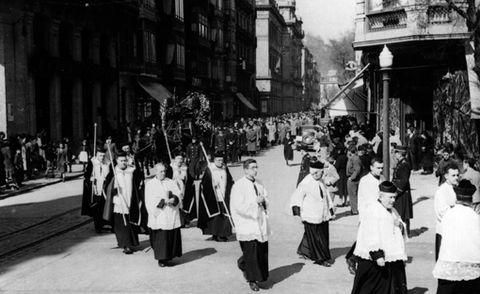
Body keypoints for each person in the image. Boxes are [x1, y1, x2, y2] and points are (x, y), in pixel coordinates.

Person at [351, 181, 408, 294]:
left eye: (394, 197)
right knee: (373, 287)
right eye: (390, 197)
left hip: (391, 256)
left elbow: (398, 224)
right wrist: (377, 255)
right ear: (381, 196)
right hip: (375, 259)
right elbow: (370, 233)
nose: (393, 200)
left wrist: (400, 225)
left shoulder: (392, 210)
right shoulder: (373, 210)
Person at [433, 179, 480, 293]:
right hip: (471, 264)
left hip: (449, 263)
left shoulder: (448, 214)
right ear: (471, 200)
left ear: (456, 198)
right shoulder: (475, 216)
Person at [230, 159, 270, 292]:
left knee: (260, 251)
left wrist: (263, 201)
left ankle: (255, 272)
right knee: (251, 252)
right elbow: (238, 207)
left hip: (260, 222)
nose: (255, 170)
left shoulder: (259, 183)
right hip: (247, 223)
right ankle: (252, 280)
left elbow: (266, 198)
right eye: (252, 168)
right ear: (245, 169)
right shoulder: (239, 185)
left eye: (256, 167)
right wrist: (255, 203)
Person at [291, 160, 335, 267]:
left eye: (319, 172)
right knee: (317, 237)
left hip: (322, 214)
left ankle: (304, 251)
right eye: (314, 173)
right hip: (311, 214)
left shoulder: (321, 181)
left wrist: (331, 210)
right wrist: (298, 212)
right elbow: (297, 197)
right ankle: (320, 258)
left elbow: (326, 196)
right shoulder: (306, 182)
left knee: (315, 234)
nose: (317, 174)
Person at [103, 152, 144, 254]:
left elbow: (139, 180)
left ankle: (131, 242)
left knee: (130, 224)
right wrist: (113, 191)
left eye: (125, 160)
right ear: (117, 161)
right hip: (118, 203)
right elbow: (106, 187)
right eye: (121, 161)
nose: (123, 163)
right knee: (121, 225)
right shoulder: (113, 172)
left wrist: (136, 163)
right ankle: (126, 245)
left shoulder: (131, 171)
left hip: (130, 200)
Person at [145, 162, 183, 267]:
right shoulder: (150, 184)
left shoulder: (171, 182)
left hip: (170, 213)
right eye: (161, 171)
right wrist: (163, 203)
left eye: (164, 171)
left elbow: (178, 195)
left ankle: (169, 257)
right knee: (161, 238)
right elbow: (149, 201)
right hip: (159, 215)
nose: (163, 173)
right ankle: (161, 259)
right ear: (156, 172)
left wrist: (174, 199)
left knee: (171, 236)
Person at [198, 151, 234, 241]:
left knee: (225, 215)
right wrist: (212, 184)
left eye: (222, 160)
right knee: (216, 216)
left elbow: (229, 180)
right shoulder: (210, 169)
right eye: (218, 160)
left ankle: (223, 234)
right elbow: (204, 183)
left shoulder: (225, 168)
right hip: (214, 196)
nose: (220, 162)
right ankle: (215, 234)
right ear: (214, 160)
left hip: (224, 195)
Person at [434, 163, 459, 260]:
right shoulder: (441, 191)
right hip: (444, 232)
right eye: (453, 175)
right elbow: (441, 212)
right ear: (446, 176)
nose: (456, 177)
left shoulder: (456, 188)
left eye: (457, 175)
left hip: (455, 232)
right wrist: (457, 209)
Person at [81, 148, 111, 233]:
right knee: (96, 208)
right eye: (100, 155)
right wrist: (90, 178)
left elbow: (110, 175)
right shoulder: (92, 162)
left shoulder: (108, 162)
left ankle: (105, 223)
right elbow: (86, 174)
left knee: (105, 206)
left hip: (104, 188)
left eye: (103, 156)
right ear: (96, 155)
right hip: (95, 188)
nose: (102, 157)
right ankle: (98, 226)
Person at [391, 145, 413, 235]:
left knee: (402, 212)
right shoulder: (401, 162)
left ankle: (404, 231)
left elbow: (404, 180)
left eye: (396, 152)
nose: (394, 154)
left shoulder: (404, 164)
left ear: (399, 154)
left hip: (402, 192)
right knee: (401, 212)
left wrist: (397, 191)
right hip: (400, 190)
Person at [346, 146, 362, 215]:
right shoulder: (353, 158)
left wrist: (352, 177)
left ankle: (354, 210)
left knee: (352, 195)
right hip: (352, 177)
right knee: (353, 194)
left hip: (353, 179)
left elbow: (357, 170)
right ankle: (354, 209)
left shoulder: (355, 159)